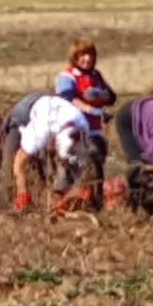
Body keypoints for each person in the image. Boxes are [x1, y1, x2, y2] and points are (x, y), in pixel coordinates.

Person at [2, 92, 94, 210]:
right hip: (27, 109)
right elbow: (19, 163)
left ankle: (59, 196)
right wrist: (22, 193)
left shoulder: (82, 128)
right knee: (8, 165)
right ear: (55, 142)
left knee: (70, 168)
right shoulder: (39, 134)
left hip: (56, 104)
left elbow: (82, 165)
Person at [55, 40, 116, 202]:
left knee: (97, 158)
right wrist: (90, 109)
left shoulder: (96, 76)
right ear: (75, 57)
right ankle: (61, 197)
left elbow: (111, 97)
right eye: (83, 55)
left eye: (90, 55)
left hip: (95, 127)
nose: (87, 59)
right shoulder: (66, 77)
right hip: (73, 128)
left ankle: (96, 199)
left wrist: (101, 95)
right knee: (71, 161)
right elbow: (68, 97)